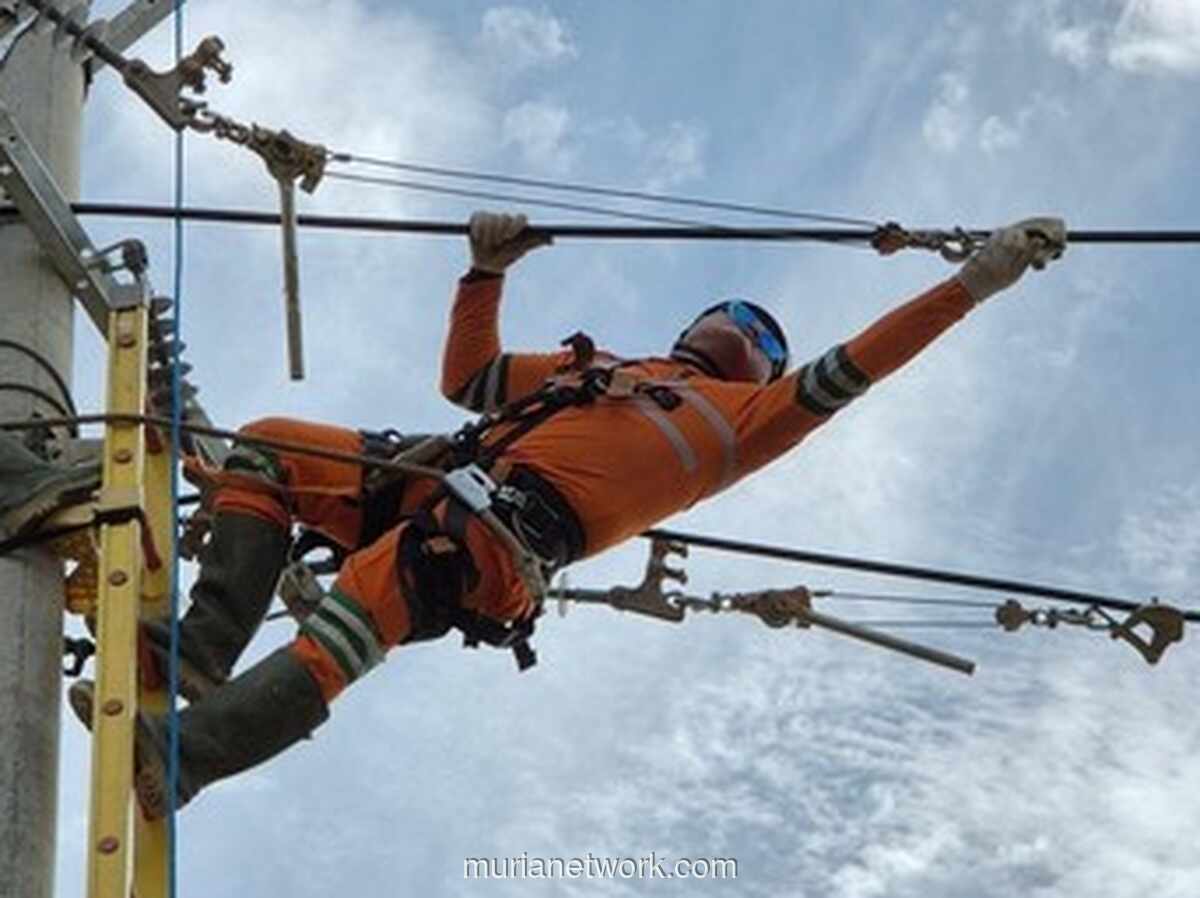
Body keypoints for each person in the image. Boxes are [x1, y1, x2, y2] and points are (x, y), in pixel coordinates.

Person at [65, 210, 1067, 818]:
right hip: (440, 476)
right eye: (739, 317)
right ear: (694, 325)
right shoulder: (600, 372)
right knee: (274, 443)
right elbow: (470, 379)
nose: (747, 334)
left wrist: (973, 279)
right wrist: (488, 270)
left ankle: (185, 759)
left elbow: (863, 361)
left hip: (494, 542)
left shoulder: (748, 420)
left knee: (358, 614)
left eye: (762, 336)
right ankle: (201, 649)